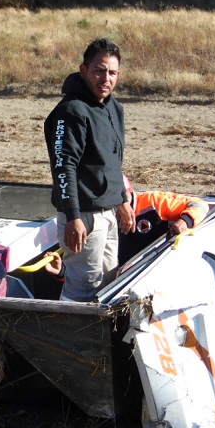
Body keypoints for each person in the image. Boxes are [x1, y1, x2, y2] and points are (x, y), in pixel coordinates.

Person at [45, 38, 135, 302]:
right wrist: (73, 217)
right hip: (83, 217)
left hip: (108, 213)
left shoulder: (113, 108)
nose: (105, 78)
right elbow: (64, 167)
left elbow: (112, 161)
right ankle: (68, 339)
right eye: (99, 70)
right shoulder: (71, 111)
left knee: (107, 283)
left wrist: (120, 199)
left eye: (112, 72)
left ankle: (96, 339)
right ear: (84, 70)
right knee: (82, 289)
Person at [45, 175, 210, 278]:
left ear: (130, 193)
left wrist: (185, 222)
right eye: (111, 204)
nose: (118, 209)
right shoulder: (97, 221)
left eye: (121, 201)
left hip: (163, 270)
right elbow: (91, 273)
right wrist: (62, 273)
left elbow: (200, 204)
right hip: (126, 283)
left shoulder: (154, 202)